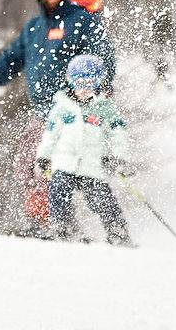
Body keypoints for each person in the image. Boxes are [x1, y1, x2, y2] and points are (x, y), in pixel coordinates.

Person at [0, 0, 115, 231]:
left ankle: (100, 226)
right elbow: (8, 63)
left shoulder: (81, 21)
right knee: (28, 163)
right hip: (43, 114)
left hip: (75, 112)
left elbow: (104, 55)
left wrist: (100, 85)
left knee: (79, 171)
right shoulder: (33, 29)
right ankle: (48, 223)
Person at [36, 53, 132, 245]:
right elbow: (50, 134)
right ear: (71, 82)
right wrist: (43, 156)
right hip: (64, 162)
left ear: (98, 83)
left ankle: (117, 231)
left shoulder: (104, 107)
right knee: (58, 191)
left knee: (102, 199)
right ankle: (64, 227)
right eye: (79, 83)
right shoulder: (62, 107)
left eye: (90, 83)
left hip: (92, 163)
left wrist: (119, 157)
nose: (84, 89)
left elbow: (118, 133)